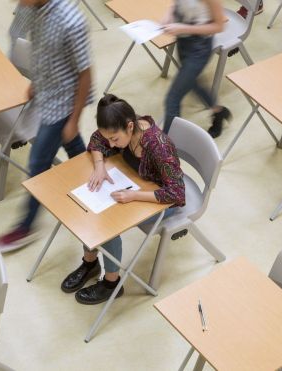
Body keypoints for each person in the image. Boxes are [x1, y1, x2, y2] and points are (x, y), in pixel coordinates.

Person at [64, 94, 185, 305]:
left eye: (115, 139)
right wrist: (100, 165)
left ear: (130, 127)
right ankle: (90, 262)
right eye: (109, 139)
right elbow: (96, 139)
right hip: (135, 182)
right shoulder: (121, 125)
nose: (111, 143)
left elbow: (176, 193)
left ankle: (112, 284)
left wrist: (134, 196)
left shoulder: (158, 146)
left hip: (162, 200)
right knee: (90, 206)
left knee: (109, 224)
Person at [0, 0, 94, 251]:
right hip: (47, 93)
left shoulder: (71, 21)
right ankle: (95, 183)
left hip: (63, 103)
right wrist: (36, 82)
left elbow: (85, 74)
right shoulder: (33, 9)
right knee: (73, 147)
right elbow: (40, 49)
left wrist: (73, 119)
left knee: (38, 163)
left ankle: (24, 227)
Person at [162, 0, 231, 138]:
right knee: (192, 83)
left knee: (172, 99)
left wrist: (183, 28)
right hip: (183, 43)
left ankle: (166, 149)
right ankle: (219, 112)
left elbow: (219, 26)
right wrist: (169, 14)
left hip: (198, 49)